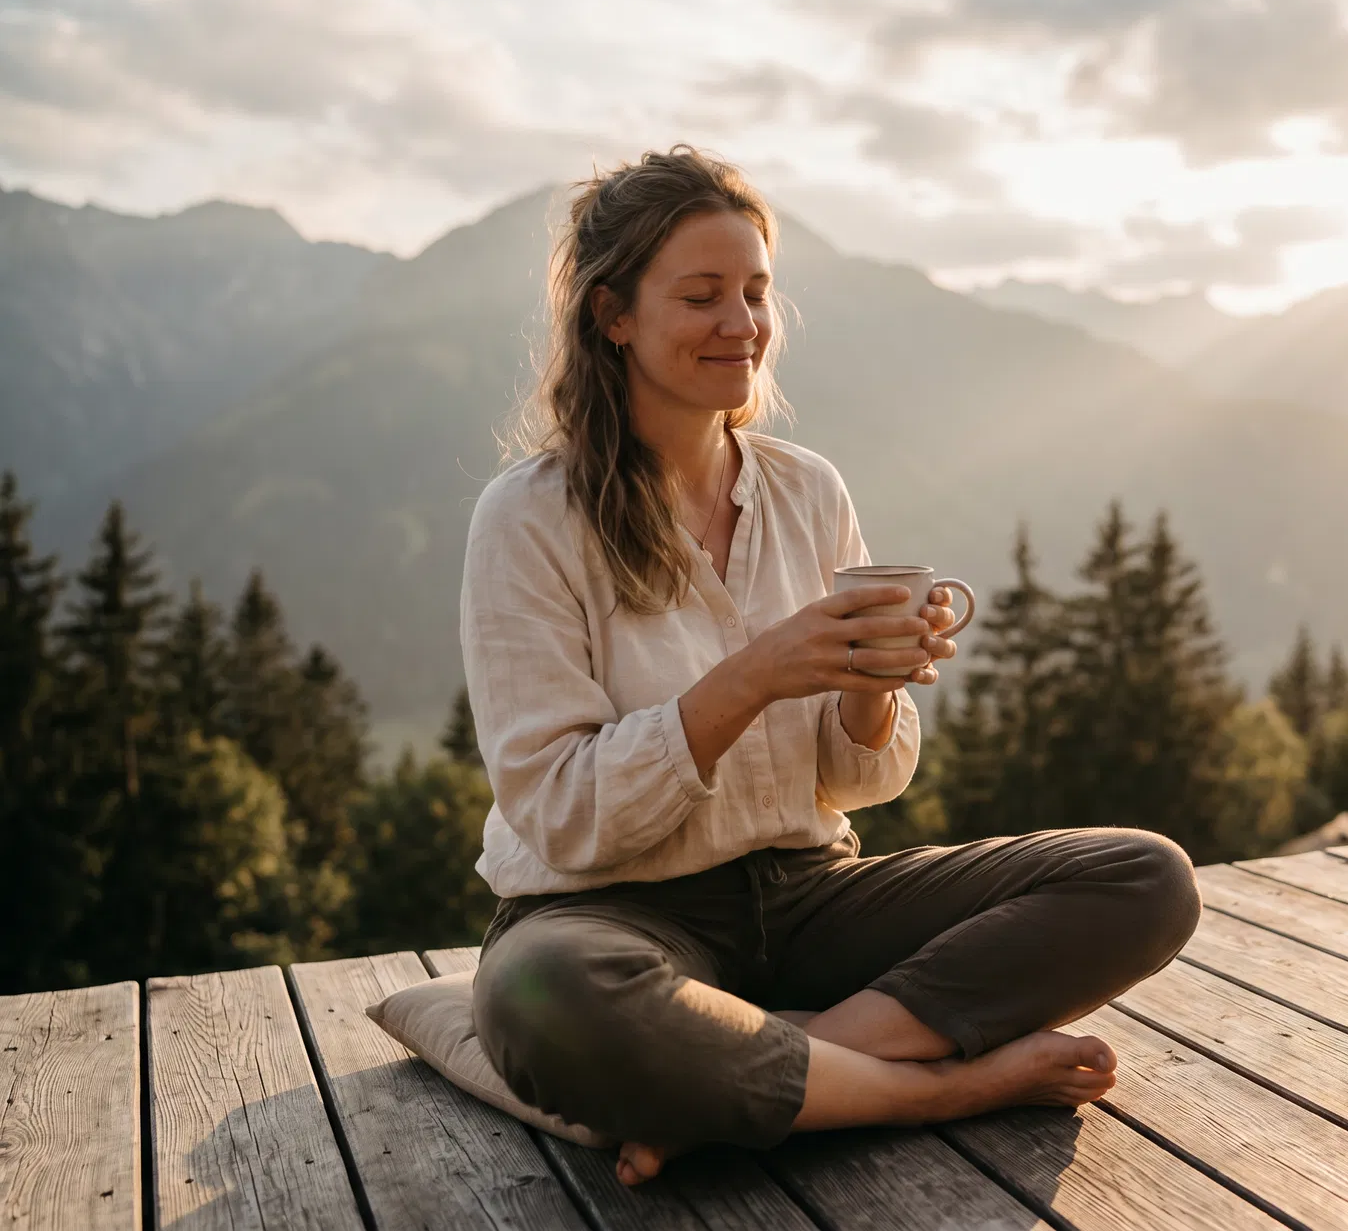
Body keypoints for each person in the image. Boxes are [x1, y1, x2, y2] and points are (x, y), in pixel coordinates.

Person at [461, 144, 1203, 1187]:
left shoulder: (807, 491)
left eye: (757, 293)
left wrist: (867, 686)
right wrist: (755, 673)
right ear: (612, 315)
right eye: (703, 295)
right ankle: (937, 1084)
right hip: (610, 911)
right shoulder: (530, 518)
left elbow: (863, 782)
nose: (743, 324)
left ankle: (762, 1064)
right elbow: (563, 813)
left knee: (1143, 877)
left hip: (808, 897)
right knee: (541, 993)